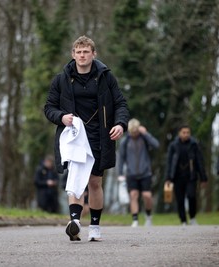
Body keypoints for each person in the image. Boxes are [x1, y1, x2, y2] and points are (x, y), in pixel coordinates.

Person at [44, 35, 129, 241]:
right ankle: (74, 222)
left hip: (99, 136)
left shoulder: (106, 77)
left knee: (94, 182)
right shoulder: (61, 79)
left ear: (93, 54)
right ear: (73, 55)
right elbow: (49, 108)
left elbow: (120, 104)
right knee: (75, 178)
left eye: (86, 52)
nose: (82, 55)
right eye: (78, 52)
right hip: (74, 136)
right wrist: (61, 117)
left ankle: (95, 226)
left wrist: (120, 124)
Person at [118, 118, 159, 227]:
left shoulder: (144, 138)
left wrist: (146, 134)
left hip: (145, 172)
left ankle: (148, 216)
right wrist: (120, 173)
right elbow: (121, 158)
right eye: (132, 132)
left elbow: (156, 145)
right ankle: (135, 219)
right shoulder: (125, 141)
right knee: (133, 195)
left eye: (136, 132)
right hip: (131, 173)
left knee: (147, 195)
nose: (134, 134)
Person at [165, 125, 208, 226]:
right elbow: (169, 162)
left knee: (191, 196)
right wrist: (168, 178)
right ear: (179, 133)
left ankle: (192, 217)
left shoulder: (194, 145)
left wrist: (203, 178)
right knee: (180, 199)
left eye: (188, 132)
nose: (186, 134)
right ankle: (183, 220)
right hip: (177, 177)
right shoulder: (173, 145)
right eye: (184, 132)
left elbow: (200, 161)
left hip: (191, 176)